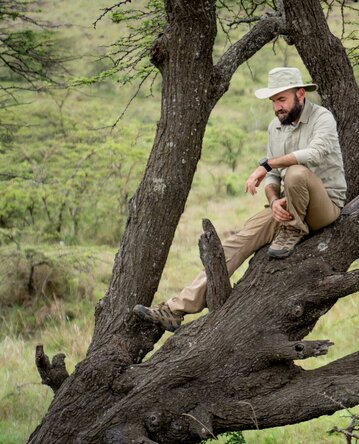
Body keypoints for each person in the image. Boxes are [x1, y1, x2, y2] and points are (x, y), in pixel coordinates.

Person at [133, 67, 347, 331]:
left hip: (324, 207)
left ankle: (293, 230)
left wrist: (266, 165)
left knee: (296, 173)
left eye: (282, 99)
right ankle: (176, 309)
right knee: (237, 242)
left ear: (300, 94)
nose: (277, 107)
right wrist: (273, 200)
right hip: (289, 205)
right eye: (274, 101)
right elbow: (273, 179)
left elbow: (314, 154)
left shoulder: (322, 117)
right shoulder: (275, 127)